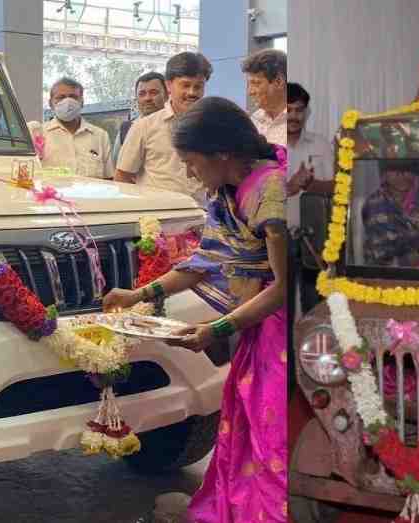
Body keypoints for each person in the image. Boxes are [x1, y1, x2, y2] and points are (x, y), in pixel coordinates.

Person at [106, 97, 287, 523]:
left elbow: (284, 287)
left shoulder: (270, 193)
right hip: (255, 326)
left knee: (271, 436)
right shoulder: (227, 194)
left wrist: (219, 328)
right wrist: (137, 295)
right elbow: (205, 263)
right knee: (248, 428)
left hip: (279, 331)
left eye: (190, 161)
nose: (189, 171)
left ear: (221, 152)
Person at [116, 52, 212, 205]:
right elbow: (122, 177)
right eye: (185, 85)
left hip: (202, 217)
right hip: (157, 220)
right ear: (169, 85)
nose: (192, 92)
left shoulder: (213, 126)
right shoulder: (144, 126)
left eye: (198, 86)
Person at [285, 83, 332, 317]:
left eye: (299, 110)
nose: (294, 116)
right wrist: (291, 186)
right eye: (289, 109)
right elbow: (256, 194)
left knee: (315, 305)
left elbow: (336, 187)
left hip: (314, 239)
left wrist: (310, 185)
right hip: (278, 239)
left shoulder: (320, 143)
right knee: (282, 310)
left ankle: (312, 353)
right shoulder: (267, 146)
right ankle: (287, 354)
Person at [39, 77, 113, 179]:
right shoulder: (39, 134)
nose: (67, 102)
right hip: (52, 194)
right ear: (50, 103)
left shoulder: (100, 136)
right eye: (61, 97)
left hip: (90, 194)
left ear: (82, 102)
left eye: (73, 97)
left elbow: (109, 178)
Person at [111, 71, 166, 165]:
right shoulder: (126, 129)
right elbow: (116, 166)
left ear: (167, 95)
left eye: (153, 92)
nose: (147, 98)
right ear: (136, 98)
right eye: (142, 94)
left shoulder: (178, 126)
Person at [243, 49, 287, 145]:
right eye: (249, 85)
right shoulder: (254, 120)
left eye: (256, 83)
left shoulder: (299, 122)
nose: (250, 92)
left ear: (279, 82)